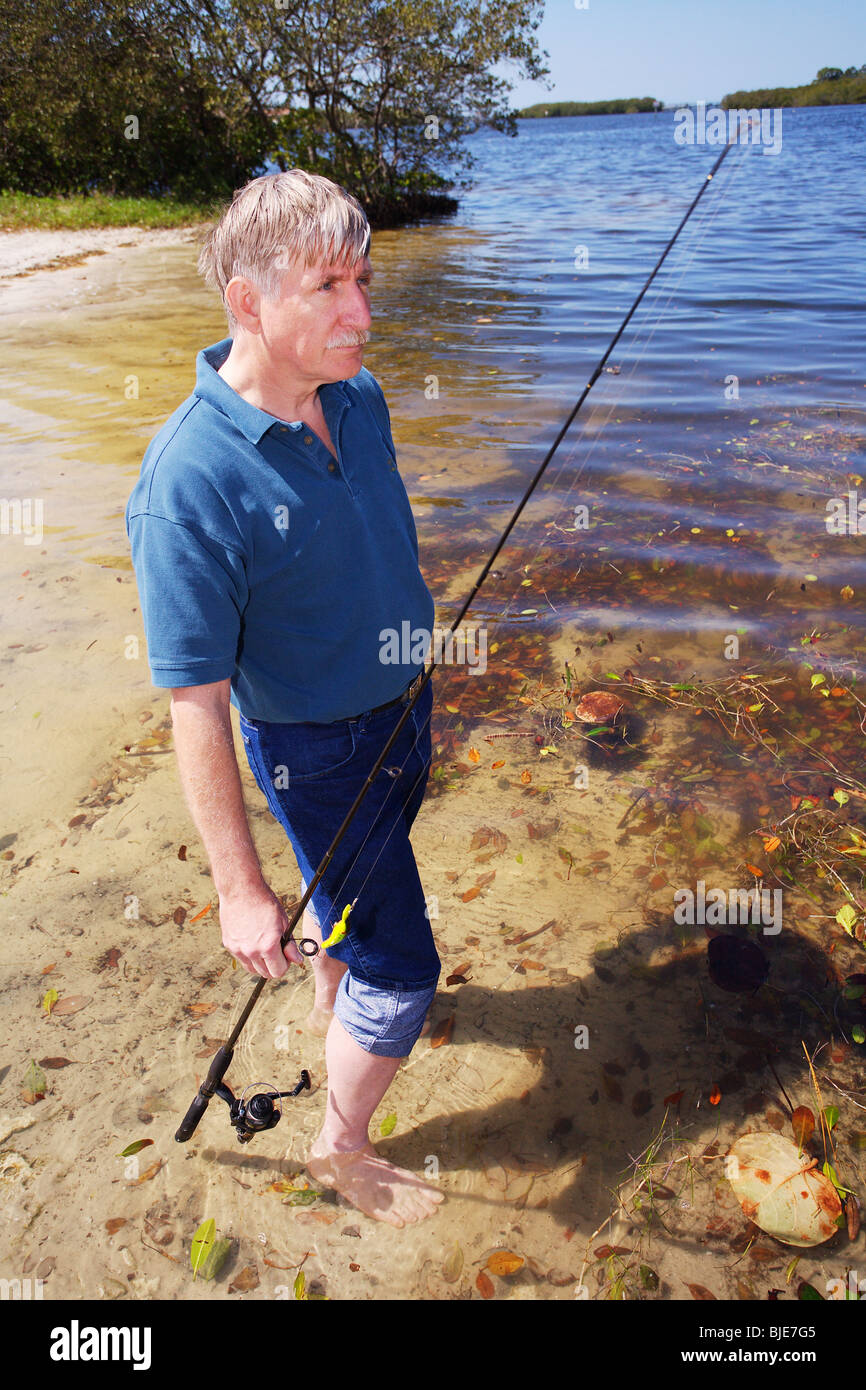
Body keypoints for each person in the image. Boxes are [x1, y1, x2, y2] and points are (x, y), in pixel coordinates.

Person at [125, 169, 444, 1227]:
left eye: (364, 278)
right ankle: (339, 1146)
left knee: (353, 909)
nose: (361, 311)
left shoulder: (358, 394)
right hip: (319, 750)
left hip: (409, 707)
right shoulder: (187, 481)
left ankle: (330, 977)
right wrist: (238, 888)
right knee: (406, 967)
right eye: (328, 285)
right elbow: (196, 705)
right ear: (248, 303)